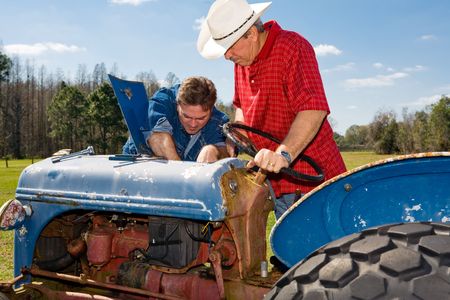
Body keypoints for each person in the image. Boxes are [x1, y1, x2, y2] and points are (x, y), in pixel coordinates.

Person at [197, 0, 347, 219]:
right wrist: (236, 140)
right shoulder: (242, 62)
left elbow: (313, 109)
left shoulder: (292, 47)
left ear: (251, 33)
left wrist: (283, 154)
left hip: (309, 180)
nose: (227, 55)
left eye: (229, 46)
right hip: (273, 180)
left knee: (317, 250)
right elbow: (242, 107)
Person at [123, 76, 229, 163]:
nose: (193, 124)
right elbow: (158, 139)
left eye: (201, 118)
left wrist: (214, 151)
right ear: (177, 104)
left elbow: (226, 153)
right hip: (136, 167)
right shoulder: (162, 102)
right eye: (186, 116)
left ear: (211, 110)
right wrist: (181, 179)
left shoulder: (218, 121)